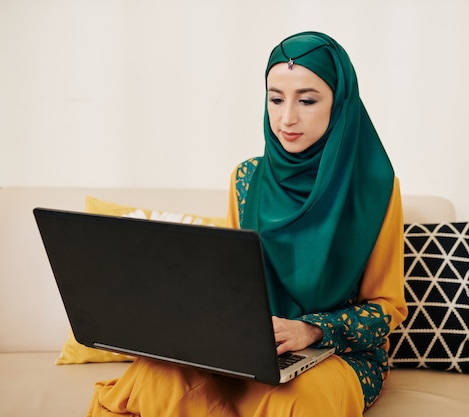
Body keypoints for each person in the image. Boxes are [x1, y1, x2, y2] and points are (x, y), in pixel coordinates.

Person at [87, 31, 407, 417]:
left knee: (300, 402)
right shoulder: (246, 179)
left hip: (336, 353)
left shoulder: (376, 190)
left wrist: (312, 329)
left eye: (306, 100)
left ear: (339, 104)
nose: (286, 117)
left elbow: (388, 309)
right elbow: (230, 283)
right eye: (275, 99)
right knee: (153, 380)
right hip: (246, 348)